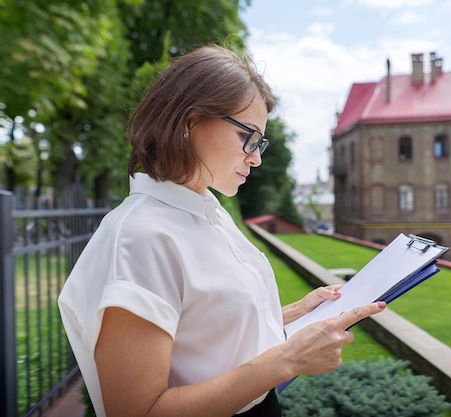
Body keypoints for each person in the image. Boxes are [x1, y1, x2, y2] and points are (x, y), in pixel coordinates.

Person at [57, 44, 386, 417]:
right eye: (249, 136)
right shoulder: (140, 236)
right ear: (190, 122)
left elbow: (205, 331)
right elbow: (138, 411)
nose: (256, 157)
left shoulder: (203, 210)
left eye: (261, 142)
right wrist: (286, 361)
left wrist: (297, 311)